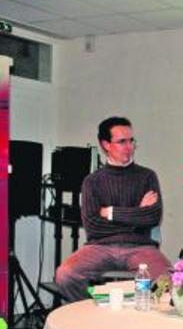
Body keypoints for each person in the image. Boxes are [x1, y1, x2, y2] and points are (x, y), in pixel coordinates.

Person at [56, 117, 170, 302]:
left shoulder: (147, 176)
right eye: (122, 141)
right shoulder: (92, 181)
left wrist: (110, 212)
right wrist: (136, 214)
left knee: (169, 281)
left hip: (140, 246)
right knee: (65, 275)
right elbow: (93, 226)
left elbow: (152, 217)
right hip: (100, 246)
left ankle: (141, 323)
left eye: (131, 140)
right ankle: (94, 313)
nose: (129, 146)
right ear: (106, 144)